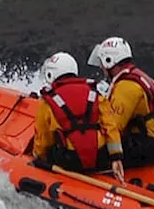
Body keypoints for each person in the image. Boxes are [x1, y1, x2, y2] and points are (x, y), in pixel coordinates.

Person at [31, 52, 125, 182]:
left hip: (69, 160)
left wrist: (39, 157)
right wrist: (116, 158)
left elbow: (43, 138)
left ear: (50, 74)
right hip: (100, 158)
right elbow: (111, 127)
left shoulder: (47, 101)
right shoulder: (95, 93)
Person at [87, 36, 154, 168]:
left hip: (145, 145)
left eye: (102, 63)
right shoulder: (137, 77)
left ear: (109, 60)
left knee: (89, 152)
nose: (101, 68)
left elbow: (113, 126)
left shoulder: (126, 86)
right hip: (153, 143)